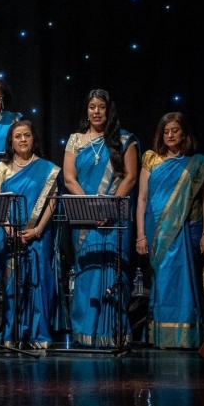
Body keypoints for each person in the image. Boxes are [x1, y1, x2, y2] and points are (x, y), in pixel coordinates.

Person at [62, 89, 139, 347]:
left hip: (115, 218)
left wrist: (108, 208)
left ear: (109, 110)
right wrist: (92, 208)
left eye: (101, 107)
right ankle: (85, 333)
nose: (96, 111)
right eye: (92, 106)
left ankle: (113, 332)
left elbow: (130, 177)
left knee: (114, 272)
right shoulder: (75, 140)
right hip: (86, 218)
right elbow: (69, 179)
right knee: (88, 270)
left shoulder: (125, 140)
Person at [135, 112, 204, 349]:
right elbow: (142, 199)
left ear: (184, 132)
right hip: (156, 231)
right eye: (165, 131)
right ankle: (161, 337)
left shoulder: (199, 163)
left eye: (175, 130)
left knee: (186, 281)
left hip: (187, 231)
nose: (169, 135)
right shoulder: (151, 159)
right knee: (163, 280)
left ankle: (187, 336)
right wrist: (140, 235)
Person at [0, 120, 59, 349]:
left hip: (39, 234)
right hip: (9, 235)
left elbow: (52, 201)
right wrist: (9, 228)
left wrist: (38, 229)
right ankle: (11, 333)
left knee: (40, 281)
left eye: (27, 135)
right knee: (12, 284)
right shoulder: (1, 168)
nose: (22, 139)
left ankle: (39, 335)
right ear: (11, 141)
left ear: (33, 138)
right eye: (18, 136)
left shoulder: (47, 168)